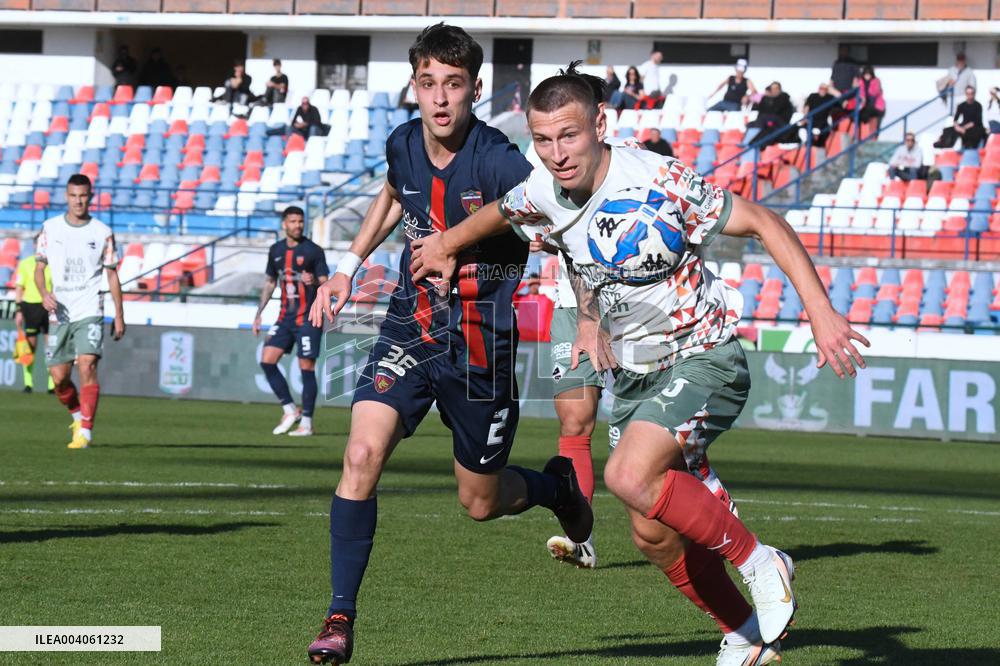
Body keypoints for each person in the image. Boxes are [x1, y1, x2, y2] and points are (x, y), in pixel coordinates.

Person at [411, 62, 871, 665]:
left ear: (601, 123)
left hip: (704, 356)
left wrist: (818, 310)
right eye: (543, 140)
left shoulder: (659, 180)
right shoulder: (544, 189)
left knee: (626, 475)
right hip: (634, 374)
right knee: (651, 533)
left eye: (569, 135)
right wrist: (450, 245)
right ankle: (744, 634)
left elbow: (762, 221)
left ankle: (762, 561)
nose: (557, 154)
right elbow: (506, 214)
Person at [303, 24, 593, 665]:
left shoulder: (498, 160)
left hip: (480, 351)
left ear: (475, 90)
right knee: (360, 455)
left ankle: (556, 490)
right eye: (428, 83)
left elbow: (555, 215)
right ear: (414, 85)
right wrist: (349, 265)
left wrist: (585, 309)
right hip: (410, 327)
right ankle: (340, 616)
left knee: (480, 502)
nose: (440, 99)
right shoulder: (403, 142)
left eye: (454, 85)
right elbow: (392, 190)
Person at [35, 174, 125, 449]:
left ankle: (85, 432)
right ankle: (77, 415)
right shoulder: (50, 228)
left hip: (89, 308)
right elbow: (39, 269)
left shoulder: (102, 232)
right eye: (73, 195)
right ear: (66, 196)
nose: (78, 200)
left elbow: (112, 276)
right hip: (59, 312)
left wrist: (119, 314)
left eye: (83, 195)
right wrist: (43, 294)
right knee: (59, 379)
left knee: (87, 364)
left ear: (91, 196)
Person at [252, 206, 328, 437]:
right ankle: (289, 408)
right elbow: (269, 283)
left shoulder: (313, 250)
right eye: (293, 221)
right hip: (285, 317)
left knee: (306, 367)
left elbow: (326, 283)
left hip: (308, 318)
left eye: (300, 221)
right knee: (267, 360)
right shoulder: (276, 250)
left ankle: (306, 423)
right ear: (284, 224)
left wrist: (314, 280)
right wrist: (258, 314)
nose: (297, 225)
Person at [14, 234, 55, 394]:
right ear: (34, 246)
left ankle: (52, 384)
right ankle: (28, 383)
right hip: (30, 307)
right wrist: (18, 310)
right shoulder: (25, 264)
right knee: (30, 347)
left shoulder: (54, 264)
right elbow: (19, 287)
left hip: (49, 307)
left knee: (50, 347)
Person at [801, 82, 836, 146]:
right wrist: (805, 117)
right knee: (802, 130)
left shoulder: (830, 97)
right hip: (811, 120)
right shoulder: (813, 96)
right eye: (821, 88)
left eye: (825, 89)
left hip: (823, 121)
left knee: (823, 133)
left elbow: (836, 107)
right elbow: (806, 107)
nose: (822, 90)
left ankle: (817, 146)